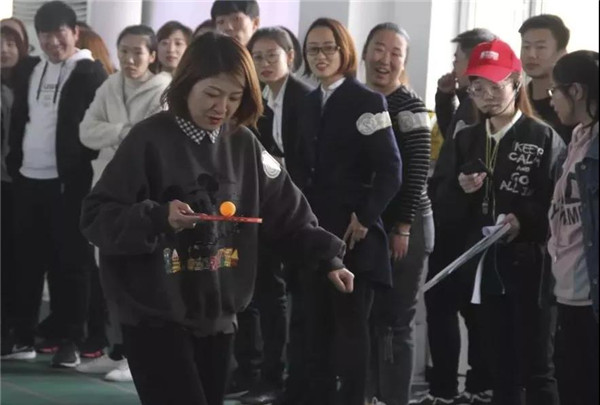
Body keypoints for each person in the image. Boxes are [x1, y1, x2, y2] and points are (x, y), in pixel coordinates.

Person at [79, 31, 354, 405]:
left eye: (234, 97)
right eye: (212, 93)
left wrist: (328, 258)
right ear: (186, 84)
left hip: (218, 313)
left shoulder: (244, 144)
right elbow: (97, 216)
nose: (221, 107)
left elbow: (287, 212)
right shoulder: (148, 139)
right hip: (155, 312)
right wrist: (158, 217)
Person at [296, 18, 402, 405]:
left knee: (351, 331)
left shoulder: (368, 101)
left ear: (345, 51)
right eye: (313, 49)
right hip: (313, 230)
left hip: (354, 233)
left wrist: (366, 216)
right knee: (314, 331)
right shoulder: (306, 102)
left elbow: (391, 170)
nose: (320, 56)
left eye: (329, 48)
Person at [454, 39, 563, 405]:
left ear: (516, 84)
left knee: (537, 366)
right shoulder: (466, 138)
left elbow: (557, 202)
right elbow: (442, 198)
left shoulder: (542, 136)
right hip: (485, 267)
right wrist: (461, 189)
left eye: (495, 86)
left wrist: (523, 222)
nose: (486, 96)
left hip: (532, 267)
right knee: (498, 364)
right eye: (477, 87)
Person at [1, 1, 107, 367]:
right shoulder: (32, 69)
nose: (52, 42)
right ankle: (23, 336)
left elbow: (94, 127)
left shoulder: (90, 72)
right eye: (45, 35)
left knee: (71, 263)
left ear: (75, 33)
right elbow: (22, 119)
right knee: (27, 262)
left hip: (69, 183)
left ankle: (71, 339)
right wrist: (16, 163)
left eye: (60, 33)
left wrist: (78, 170)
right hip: (28, 178)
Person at [76, 24, 171, 381]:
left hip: (142, 194)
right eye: (124, 51)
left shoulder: (163, 90)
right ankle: (116, 349)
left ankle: (138, 357)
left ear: (152, 55)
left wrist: (117, 134)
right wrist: (123, 131)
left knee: (138, 276)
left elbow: (151, 142)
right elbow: (86, 131)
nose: (130, 59)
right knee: (108, 274)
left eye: (137, 52)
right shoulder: (109, 85)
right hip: (106, 191)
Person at [233, 26, 313, 405]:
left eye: (272, 55)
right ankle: (252, 371)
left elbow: (307, 158)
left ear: (290, 56)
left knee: (283, 296)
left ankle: (278, 377)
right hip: (262, 205)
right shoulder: (255, 100)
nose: (264, 63)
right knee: (260, 290)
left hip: (299, 207)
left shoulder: (306, 98)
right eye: (258, 57)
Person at [422, 28, 496, 405]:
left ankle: (473, 388)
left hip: (466, 227)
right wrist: (443, 96)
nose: (453, 65)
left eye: (458, 59)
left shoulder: (487, 106)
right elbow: (452, 137)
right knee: (445, 306)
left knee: (466, 308)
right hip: (448, 220)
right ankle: (449, 389)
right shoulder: (468, 102)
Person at [361, 23, 433, 405]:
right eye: (378, 49)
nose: (384, 59)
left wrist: (403, 226)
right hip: (369, 223)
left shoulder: (410, 106)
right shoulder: (357, 99)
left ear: (404, 61)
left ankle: (394, 399)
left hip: (405, 224)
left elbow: (417, 172)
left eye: (395, 53)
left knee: (395, 321)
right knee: (368, 318)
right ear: (364, 52)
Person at [547, 50, 599, 405]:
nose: (551, 99)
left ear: (576, 91)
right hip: (567, 289)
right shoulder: (577, 139)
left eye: (556, 90)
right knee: (570, 385)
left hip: (590, 292)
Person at [0, 23, 29, 347]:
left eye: (10, 43)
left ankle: (15, 327)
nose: (4, 50)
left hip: (23, 180)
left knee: (18, 257)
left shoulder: (31, 80)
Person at [519, 14, 574, 144]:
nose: (531, 55)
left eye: (541, 47)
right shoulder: (515, 100)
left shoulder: (572, 105)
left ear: (562, 53)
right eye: (526, 47)